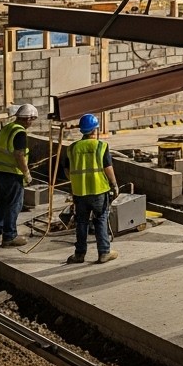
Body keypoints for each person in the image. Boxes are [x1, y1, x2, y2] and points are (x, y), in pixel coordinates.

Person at [65, 113, 119, 264]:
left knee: (81, 222)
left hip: (80, 192)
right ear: (95, 129)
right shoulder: (101, 146)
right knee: (100, 220)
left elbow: (67, 171)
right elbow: (108, 167)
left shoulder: (72, 148)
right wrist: (114, 185)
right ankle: (104, 253)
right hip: (99, 190)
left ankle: (79, 254)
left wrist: (76, 181)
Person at [0, 103, 39, 247]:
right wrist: (26, 173)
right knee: (14, 204)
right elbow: (19, 155)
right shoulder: (20, 132)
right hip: (11, 173)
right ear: (28, 119)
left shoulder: (7, 128)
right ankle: (9, 236)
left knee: (2, 202)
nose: (32, 123)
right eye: (32, 120)